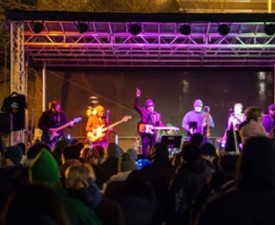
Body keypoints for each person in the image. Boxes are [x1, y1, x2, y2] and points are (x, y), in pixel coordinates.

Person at [134, 88, 164, 157]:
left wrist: (167, 129)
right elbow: (136, 106)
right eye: (149, 106)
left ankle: (152, 158)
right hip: (145, 134)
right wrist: (137, 96)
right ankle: (144, 159)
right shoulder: (143, 111)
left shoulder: (157, 114)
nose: (151, 108)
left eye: (152, 106)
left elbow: (160, 123)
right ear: (146, 107)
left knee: (153, 148)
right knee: (145, 147)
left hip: (153, 134)